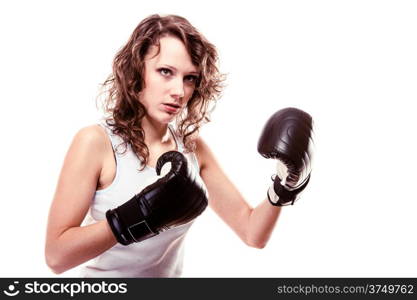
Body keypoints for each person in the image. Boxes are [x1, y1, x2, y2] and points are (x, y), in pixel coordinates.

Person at [45, 14, 314, 277]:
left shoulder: (191, 148)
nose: (179, 91)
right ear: (136, 72)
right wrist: (136, 216)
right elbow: (56, 257)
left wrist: (284, 187)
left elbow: (252, 233)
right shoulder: (96, 142)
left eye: (190, 78)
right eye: (165, 72)